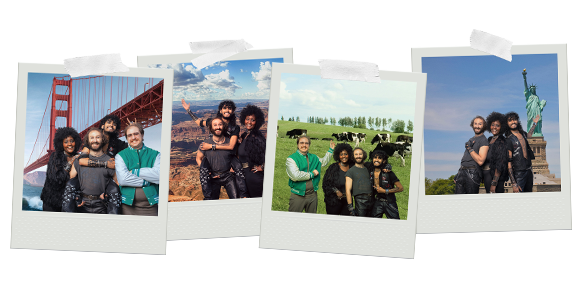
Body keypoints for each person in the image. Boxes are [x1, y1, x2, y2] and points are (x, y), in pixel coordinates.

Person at [182, 99, 248, 199]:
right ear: (220, 110)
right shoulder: (214, 122)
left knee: (238, 169)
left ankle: (243, 195)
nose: (227, 110)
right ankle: (207, 197)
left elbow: (231, 146)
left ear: (233, 111)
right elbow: (199, 122)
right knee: (204, 167)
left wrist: (211, 146)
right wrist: (188, 110)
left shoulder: (234, 128)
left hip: (226, 156)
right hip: (212, 156)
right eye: (224, 108)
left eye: (230, 108)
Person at [63, 114, 126, 210]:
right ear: (102, 126)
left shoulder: (118, 143)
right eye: (109, 122)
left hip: (105, 178)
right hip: (87, 176)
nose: (111, 125)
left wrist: (130, 130)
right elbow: (82, 160)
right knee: (71, 184)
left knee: (114, 190)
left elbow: (132, 146)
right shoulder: (93, 142)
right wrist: (105, 164)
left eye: (114, 124)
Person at [69, 128, 119, 214]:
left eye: (98, 137)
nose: (95, 140)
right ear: (87, 141)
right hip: (82, 205)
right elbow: (72, 180)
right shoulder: (79, 161)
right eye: (92, 138)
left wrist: (108, 195)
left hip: (102, 206)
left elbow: (117, 182)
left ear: (102, 139)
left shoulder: (110, 161)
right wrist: (77, 196)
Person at [115, 123, 161, 216]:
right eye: (129, 135)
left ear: (142, 135)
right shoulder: (120, 156)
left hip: (151, 207)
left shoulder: (156, 154)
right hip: (127, 207)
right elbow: (123, 179)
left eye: (136, 134)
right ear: (127, 138)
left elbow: (160, 176)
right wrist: (148, 181)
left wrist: (136, 172)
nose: (133, 137)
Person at [286, 136, 335, 213]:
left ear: (309, 145)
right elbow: (295, 176)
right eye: (301, 143)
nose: (304, 145)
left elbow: (323, 161)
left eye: (306, 143)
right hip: (298, 195)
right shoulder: (291, 159)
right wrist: (311, 174)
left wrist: (331, 150)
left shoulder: (314, 157)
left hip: (312, 195)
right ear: (297, 144)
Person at [40, 127, 81, 212]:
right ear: (61, 144)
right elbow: (57, 179)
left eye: (72, 141)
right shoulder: (55, 156)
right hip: (52, 202)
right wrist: (71, 162)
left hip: (70, 202)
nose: (70, 144)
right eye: (66, 142)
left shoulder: (80, 157)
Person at [197, 118, 239, 200]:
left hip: (228, 176)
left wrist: (233, 168)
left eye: (220, 124)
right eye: (215, 125)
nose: (218, 127)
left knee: (235, 200)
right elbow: (198, 158)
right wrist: (208, 172)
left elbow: (236, 155)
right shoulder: (205, 144)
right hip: (214, 177)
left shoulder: (230, 143)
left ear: (224, 126)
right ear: (211, 128)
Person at [505, 111, 539, 193]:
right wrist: (513, 183)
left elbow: (529, 134)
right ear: (506, 123)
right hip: (518, 173)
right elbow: (508, 163)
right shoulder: (508, 139)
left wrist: (534, 124)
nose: (513, 122)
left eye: (515, 119)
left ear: (517, 121)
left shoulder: (523, 134)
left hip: (529, 171)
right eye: (510, 120)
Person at [455, 116, 489, 194]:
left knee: (470, 202)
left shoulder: (484, 140)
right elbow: (466, 158)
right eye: (475, 124)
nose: (477, 126)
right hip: (462, 172)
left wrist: (470, 149)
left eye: (480, 124)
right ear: (472, 125)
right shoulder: (471, 139)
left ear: (483, 126)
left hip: (472, 173)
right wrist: (459, 173)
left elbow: (480, 161)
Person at [238, 104, 267, 198]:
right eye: (247, 119)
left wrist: (262, 167)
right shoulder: (245, 135)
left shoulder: (257, 138)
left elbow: (269, 155)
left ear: (257, 121)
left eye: (253, 120)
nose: (249, 122)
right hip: (244, 175)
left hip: (253, 177)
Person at [366, 150, 403, 219]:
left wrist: (385, 191)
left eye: (379, 158)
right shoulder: (369, 169)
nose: (376, 160)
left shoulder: (388, 173)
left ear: (383, 161)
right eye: (375, 157)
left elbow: (400, 188)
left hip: (389, 202)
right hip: (377, 201)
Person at [322, 143, 354, 215]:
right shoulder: (333, 167)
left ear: (349, 154)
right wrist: (336, 191)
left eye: (345, 154)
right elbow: (326, 184)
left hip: (347, 201)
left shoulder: (352, 167)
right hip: (333, 202)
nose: (343, 156)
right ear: (338, 156)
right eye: (341, 154)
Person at [483, 112, 509, 193]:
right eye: (492, 125)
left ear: (501, 127)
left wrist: (494, 183)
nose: (494, 127)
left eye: (497, 125)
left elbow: (500, 164)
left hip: (495, 177)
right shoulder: (489, 139)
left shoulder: (502, 141)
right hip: (486, 175)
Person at [345, 147, 373, 216]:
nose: (358, 156)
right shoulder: (350, 171)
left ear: (363, 155)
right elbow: (348, 190)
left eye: (360, 154)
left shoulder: (368, 168)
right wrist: (350, 207)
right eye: (356, 154)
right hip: (360, 201)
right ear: (353, 156)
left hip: (372, 200)